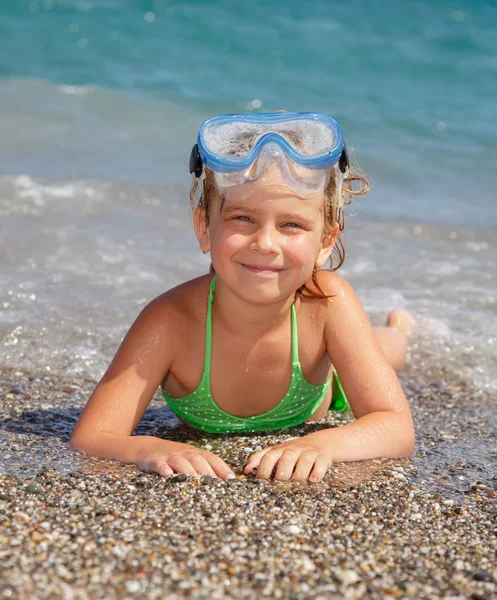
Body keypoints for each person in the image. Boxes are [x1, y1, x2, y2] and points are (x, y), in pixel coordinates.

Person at [69, 112, 415, 483]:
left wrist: (321, 445)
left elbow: (396, 428)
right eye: (242, 219)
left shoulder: (327, 302)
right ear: (204, 227)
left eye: (291, 225)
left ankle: (401, 328)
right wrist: (149, 448)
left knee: (387, 349)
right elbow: (92, 436)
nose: (265, 244)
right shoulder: (169, 320)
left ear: (325, 242)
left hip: (325, 389)